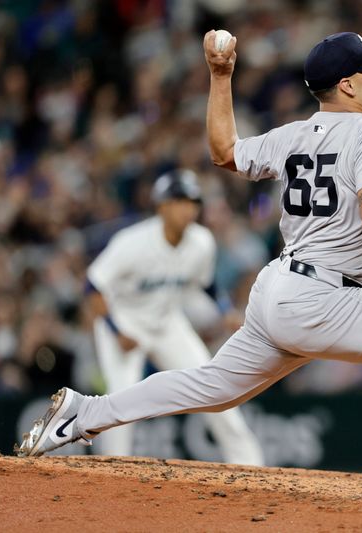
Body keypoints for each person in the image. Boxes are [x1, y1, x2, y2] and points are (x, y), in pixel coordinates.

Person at [16, 30, 362, 498]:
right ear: (347, 84)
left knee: (212, 387)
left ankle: (83, 414)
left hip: (280, 289)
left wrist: (220, 75)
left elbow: (224, 150)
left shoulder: (292, 136)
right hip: (324, 295)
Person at [84, 169, 263, 465]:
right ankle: (111, 475)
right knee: (120, 401)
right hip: (124, 323)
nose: (187, 207)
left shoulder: (202, 242)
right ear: (162, 206)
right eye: (179, 200)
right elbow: (93, 285)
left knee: (216, 389)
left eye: (193, 201)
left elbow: (206, 283)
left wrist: (224, 310)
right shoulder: (132, 242)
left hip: (167, 323)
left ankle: (252, 467)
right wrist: (116, 331)